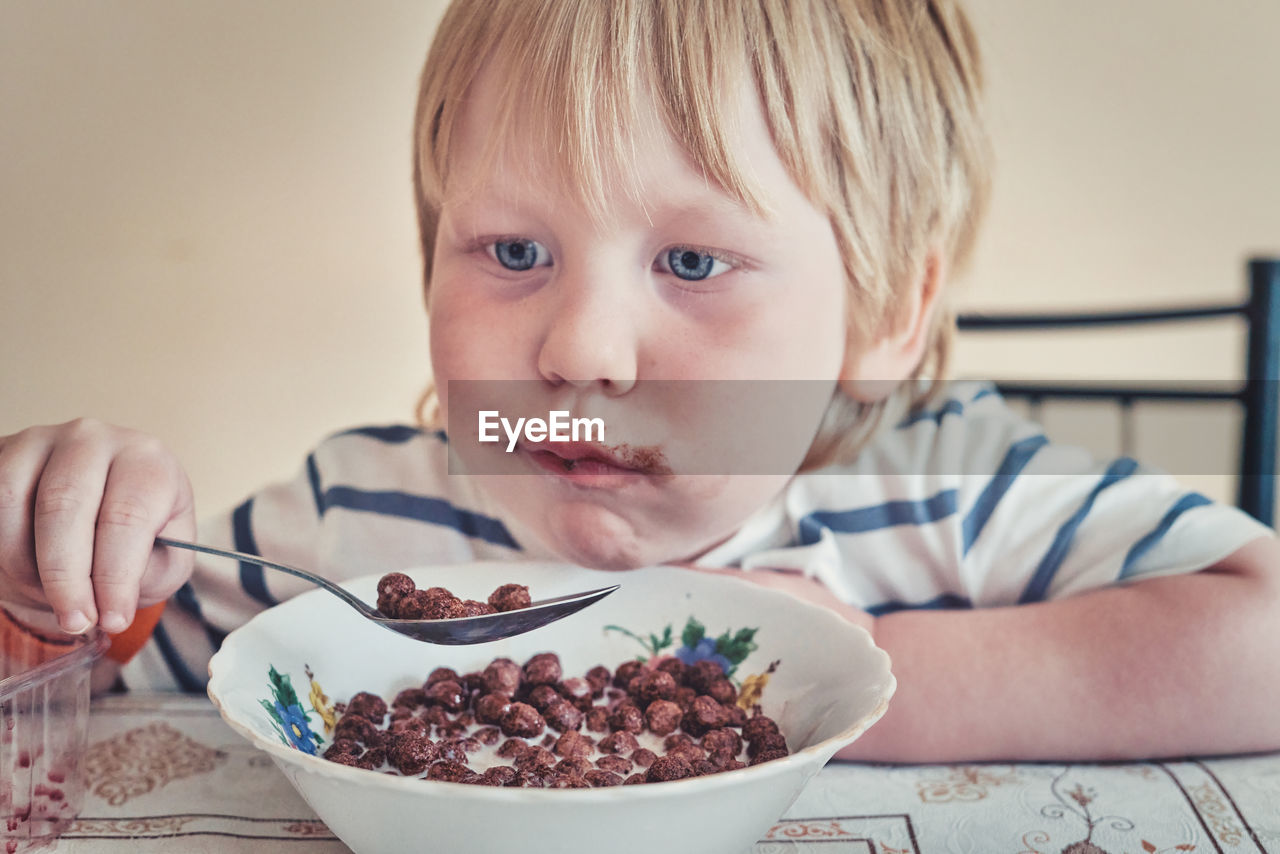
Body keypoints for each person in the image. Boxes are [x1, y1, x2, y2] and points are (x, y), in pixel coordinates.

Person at [1, 0, 1276, 763]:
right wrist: (52, 566)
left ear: (886, 310)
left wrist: (855, 670)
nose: (580, 351)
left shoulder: (947, 490)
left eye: (691, 259)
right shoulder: (350, 517)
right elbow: (85, 677)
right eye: (513, 251)